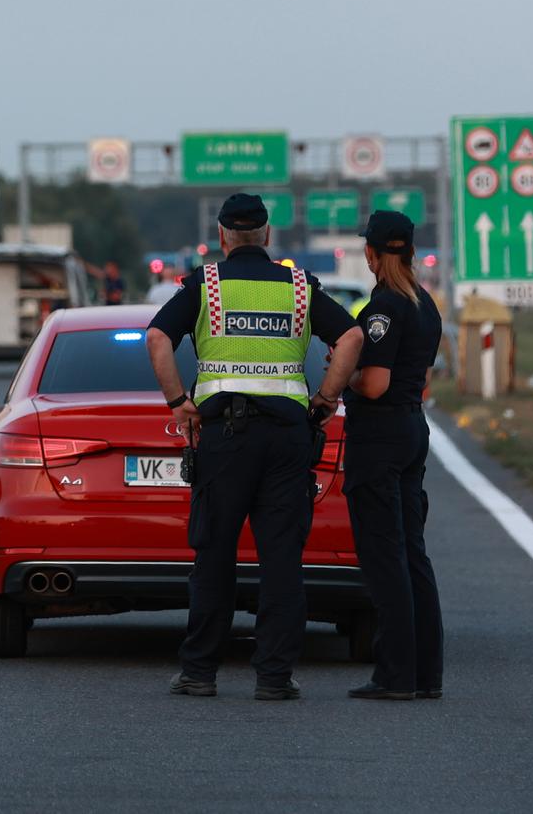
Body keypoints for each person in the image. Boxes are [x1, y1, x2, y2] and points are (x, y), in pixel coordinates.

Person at [147, 193, 363, 700]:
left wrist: (180, 402)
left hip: (224, 438)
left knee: (215, 555)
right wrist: (327, 398)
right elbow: (351, 336)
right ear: (267, 236)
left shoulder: (206, 285)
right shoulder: (300, 287)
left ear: (222, 237)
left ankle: (200, 672)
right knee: (282, 559)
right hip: (288, 439)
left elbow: (158, 338)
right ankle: (274, 677)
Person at [341, 210, 445, 701]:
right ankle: (426, 674)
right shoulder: (426, 304)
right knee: (412, 554)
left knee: (385, 558)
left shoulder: (383, 307)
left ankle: (394, 675)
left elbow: (376, 384)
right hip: (411, 429)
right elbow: (417, 379)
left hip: (379, 436)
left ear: (374, 253)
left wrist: (343, 377)